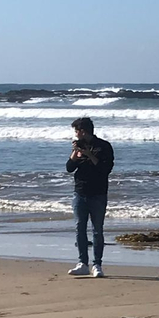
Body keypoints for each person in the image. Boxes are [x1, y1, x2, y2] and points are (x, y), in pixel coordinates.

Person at [66, 117, 115, 278]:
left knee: (97, 230)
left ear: (83, 131)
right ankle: (82, 263)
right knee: (80, 228)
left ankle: (97, 264)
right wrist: (75, 153)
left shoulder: (103, 146)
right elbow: (69, 168)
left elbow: (105, 169)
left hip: (98, 193)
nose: (76, 134)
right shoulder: (78, 148)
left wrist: (89, 154)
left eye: (76, 131)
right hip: (80, 192)